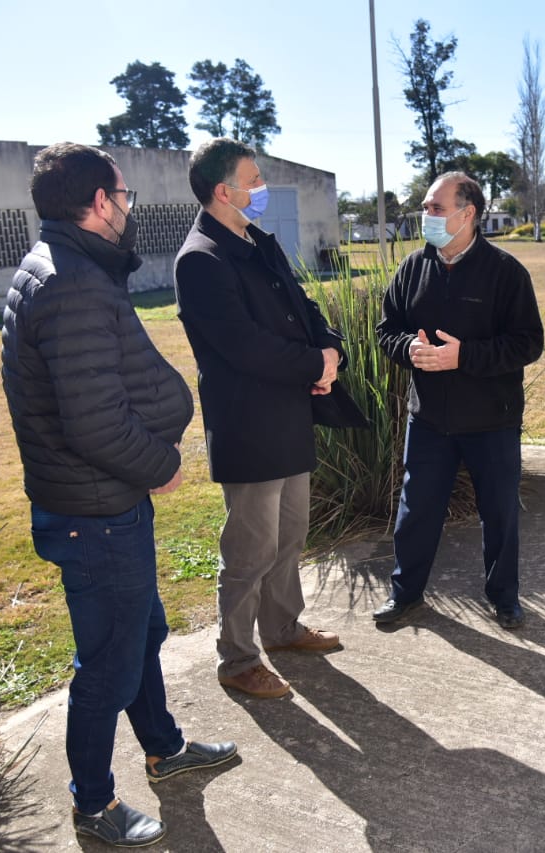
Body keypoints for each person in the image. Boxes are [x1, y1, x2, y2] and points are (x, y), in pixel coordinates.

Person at [2, 142, 237, 848]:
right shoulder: (70, 281)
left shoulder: (63, 267)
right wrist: (159, 461)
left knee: (142, 633)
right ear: (99, 202)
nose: (129, 207)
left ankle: (163, 747)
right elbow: (95, 420)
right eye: (125, 196)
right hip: (96, 511)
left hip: (101, 506)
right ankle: (95, 805)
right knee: (106, 661)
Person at [175, 137, 359, 700]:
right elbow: (245, 347)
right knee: (249, 550)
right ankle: (236, 659)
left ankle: (281, 628)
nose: (261, 190)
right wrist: (312, 362)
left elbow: (303, 308)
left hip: (289, 413)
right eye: (253, 181)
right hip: (248, 426)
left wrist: (330, 353)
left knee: (289, 536)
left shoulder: (259, 242)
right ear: (221, 191)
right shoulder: (200, 260)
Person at [373, 171, 544, 629]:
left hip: (492, 420)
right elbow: (386, 330)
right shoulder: (412, 268)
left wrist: (462, 356)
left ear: (467, 214)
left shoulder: (505, 272)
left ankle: (504, 598)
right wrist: (406, 347)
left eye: (435, 208)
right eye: (426, 207)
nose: (425, 215)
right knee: (416, 511)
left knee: (500, 515)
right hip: (429, 419)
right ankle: (405, 595)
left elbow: (528, 343)